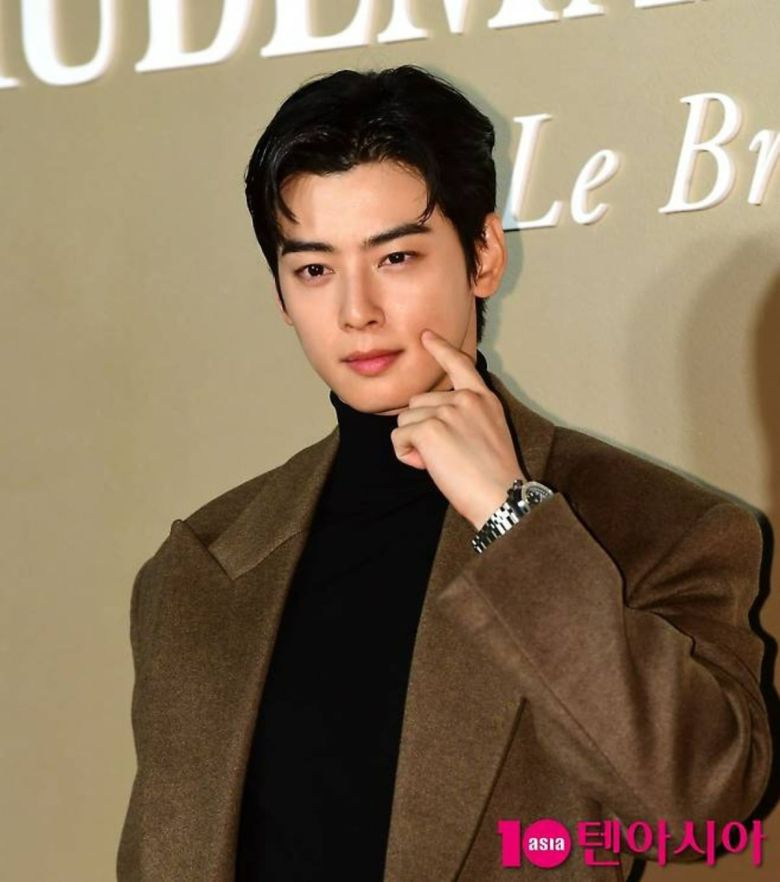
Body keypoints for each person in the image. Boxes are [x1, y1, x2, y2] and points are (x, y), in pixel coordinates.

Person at [117, 66, 772, 882]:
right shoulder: (200, 565)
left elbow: (700, 805)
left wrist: (509, 517)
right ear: (281, 294)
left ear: (484, 255)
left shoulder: (655, 527)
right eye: (315, 269)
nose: (356, 310)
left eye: (396, 257)